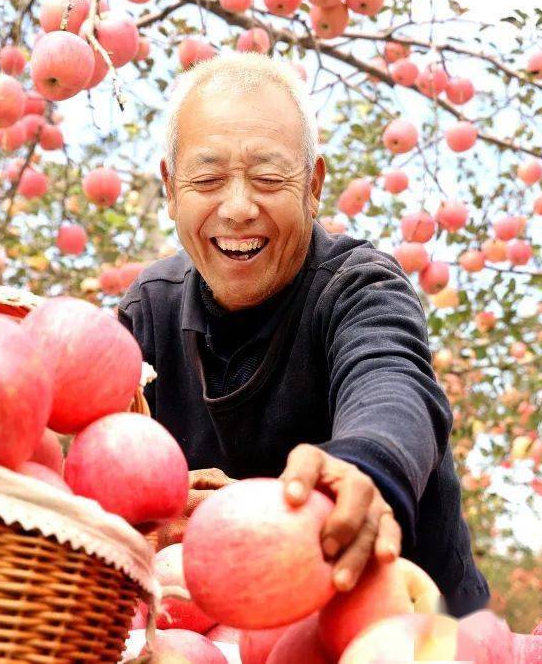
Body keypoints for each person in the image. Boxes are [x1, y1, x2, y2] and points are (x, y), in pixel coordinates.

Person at [117, 53, 490, 616]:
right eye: (208, 178)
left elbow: (391, 380)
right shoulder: (148, 315)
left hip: (413, 634)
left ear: (313, 185)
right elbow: (102, 469)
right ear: (171, 188)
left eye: (268, 178)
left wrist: (366, 468)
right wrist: (141, 507)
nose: (238, 208)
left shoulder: (358, 286)